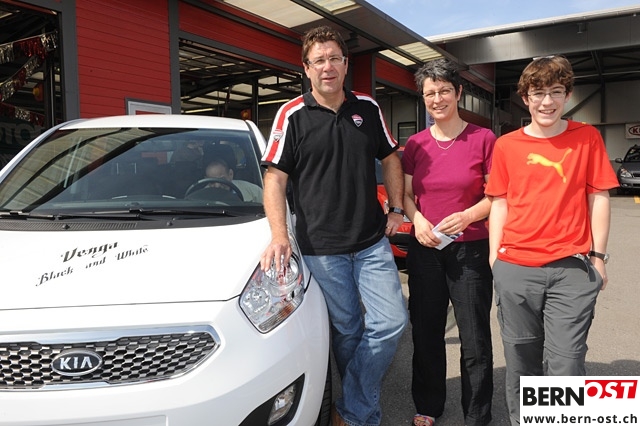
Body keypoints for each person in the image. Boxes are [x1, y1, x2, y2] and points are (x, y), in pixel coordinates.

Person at [259, 25, 407, 426]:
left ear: (345, 64)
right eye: (319, 60)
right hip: (322, 249)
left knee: (392, 322)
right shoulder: (292, 115)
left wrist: (397, 209)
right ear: (307, 68)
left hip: (371, 241)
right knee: (348, 330)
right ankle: (362, 416)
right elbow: (275, 177)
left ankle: (350, 410)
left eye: (334, 59)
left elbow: (391, 157)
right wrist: (279, 235)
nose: (328, 67)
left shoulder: (368, 108)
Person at [484, 55, 619, 425]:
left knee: (567, 362)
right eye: (538, 93)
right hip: (516, 268)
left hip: (570, 269)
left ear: (568, 94)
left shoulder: (587, 138)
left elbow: (599, 197)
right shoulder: (506, 145)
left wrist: (598, 257)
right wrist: (496, 260)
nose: (547, 101)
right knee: (521, 362)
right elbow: (500, 202)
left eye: (556, 92)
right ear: (525, 98)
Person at [401, 58, 495, 426]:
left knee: (474, 337)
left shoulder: (483, 139)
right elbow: (406, 195)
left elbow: (496, 196)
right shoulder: (416, 144)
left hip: (470, 248)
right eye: (430, 93)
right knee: (426, 331)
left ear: (458, 93)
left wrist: (469, 215)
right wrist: (417, 219)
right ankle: (428, 404)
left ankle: (477, 414)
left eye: (443, 91)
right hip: (425, 248)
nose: (437, 99)